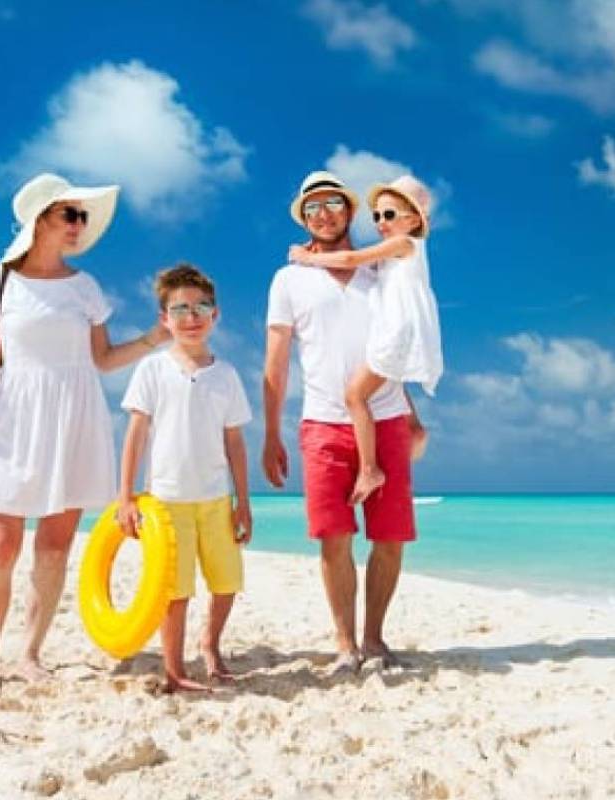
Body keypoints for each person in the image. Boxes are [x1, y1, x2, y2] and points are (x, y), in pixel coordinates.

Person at [0, 173, 164, 706]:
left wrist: (152, 340)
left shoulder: (85, 288)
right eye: (70, 215)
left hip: (75, 418)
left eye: (82, 217)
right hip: (13, 419)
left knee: (54, 547)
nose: (78, 226)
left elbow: (102, 359)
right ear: (41, 219)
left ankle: (30, 654)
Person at [262, 171, 426, 674]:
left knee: (391, 536)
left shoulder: (383, 268)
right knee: (334, 537)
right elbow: (276, 359)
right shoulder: (289, 278)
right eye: (312, 208)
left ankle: (374, 639)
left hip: (388, 418)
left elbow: (398, 345)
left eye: (333, 203)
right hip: (323, 423)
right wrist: (270, 433)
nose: (323, 214)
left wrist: (414, 415)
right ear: (303, 217)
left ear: (348, 211)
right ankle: (344, 644)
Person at [116, 264, 253, 692]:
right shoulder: (152, 370)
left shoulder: (227, 375)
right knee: (175, 591)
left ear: (216, 315)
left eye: (201, 308)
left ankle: (210, 645)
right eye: (180, 310)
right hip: (167, 501)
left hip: (215, 498)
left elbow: (235, 443)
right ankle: (174, 670)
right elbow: (135, 437)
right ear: (164, 319)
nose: (191, 317)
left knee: (228, 581)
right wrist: (126, 498)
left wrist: (243, 502)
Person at [288, 174, 444, 503]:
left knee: (354, 395)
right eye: (376, 216)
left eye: (389, 215)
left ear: (413, 220)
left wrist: (308, 258)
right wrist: (316, 249)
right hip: (395, 333)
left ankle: (370, 468)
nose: (380, 222)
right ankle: (414, 426)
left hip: (397, 332)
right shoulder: (394, 255)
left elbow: (349, 259)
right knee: (385, 379)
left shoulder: (404, 244)